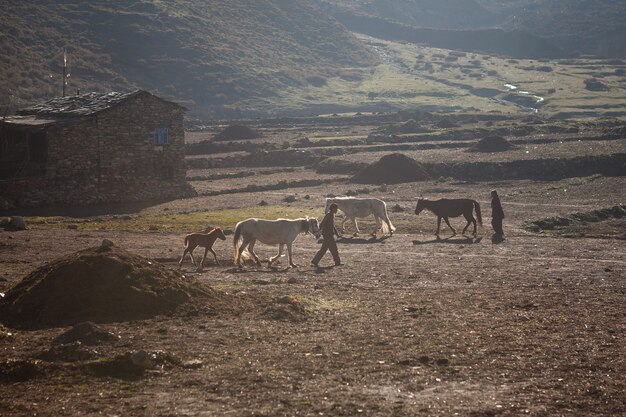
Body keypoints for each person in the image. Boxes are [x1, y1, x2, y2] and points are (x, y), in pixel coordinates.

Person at [311, 203, 342, 267]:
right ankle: (337, 262)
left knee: (323, 250)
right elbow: (322, 223)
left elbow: (332, 226)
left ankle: (315, 261)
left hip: (328, 235)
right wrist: (318, 232)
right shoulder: (328, 215)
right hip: (328, 235)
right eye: (336, 209)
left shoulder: (332, 215)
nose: (337, 210)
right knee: (334, 249)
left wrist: (337, 234)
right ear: (333, 209)